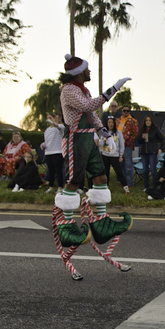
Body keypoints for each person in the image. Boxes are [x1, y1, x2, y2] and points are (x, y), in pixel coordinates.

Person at [54, 53, 132, 250]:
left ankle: (102, 223)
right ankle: (66, 227)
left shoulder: (84, 89)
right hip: (76, 139)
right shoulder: (69, 91)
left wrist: (104, 132)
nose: (89, 71)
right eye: (87, 69)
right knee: (73, 182)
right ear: (79, 72)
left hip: (89, 139)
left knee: (100, 178)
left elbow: (91, 114)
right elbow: (88, 106)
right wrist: (113, 89)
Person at [95, 117, 128, 194]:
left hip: (115, 155)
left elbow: (121, 145)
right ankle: (106, 188)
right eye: (109, 122)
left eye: (112, 122)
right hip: (105, 155)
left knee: (119, 172)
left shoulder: (118, 133)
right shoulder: (104, 133)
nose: (111, 124)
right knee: (106, 172)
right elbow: (101, 143)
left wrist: (121, 155)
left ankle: (126, 188)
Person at [136, 114, 165, 190]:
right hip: (144, 153)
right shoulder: (142, 130)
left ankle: (155, 186)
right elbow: (139, 141)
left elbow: (162, 139)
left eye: (149, 120)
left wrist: (161, 148)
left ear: (151, 121)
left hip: (152, 152)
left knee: (153, 170)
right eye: (146, 120)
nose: (148, 122)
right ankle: (146, 186)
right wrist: (142, 138)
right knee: (145, 170)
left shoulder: (155, 129)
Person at [41, 114, 65, 194]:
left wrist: (55, 122)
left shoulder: (60, 127)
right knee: (50, 170)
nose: (49, 120)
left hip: (57, 151)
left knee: (58, 170)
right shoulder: (47, 130)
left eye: (50, 118)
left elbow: (61, 128)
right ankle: (51, 187)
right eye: (47, 118)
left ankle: (60, 187)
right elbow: (47, 141)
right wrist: (43, 144)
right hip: (48, 152)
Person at [116, 105, 138, 190]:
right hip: (118, 146)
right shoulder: (118, 121)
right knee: (121, 165)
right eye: (124, 110)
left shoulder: (133, 121)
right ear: (122, 111)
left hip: (127, 146)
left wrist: (128, 142)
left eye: (127, 111)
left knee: (129, 165)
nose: (126, 112)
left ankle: (130, 182)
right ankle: (123, 182)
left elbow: (135, 133)